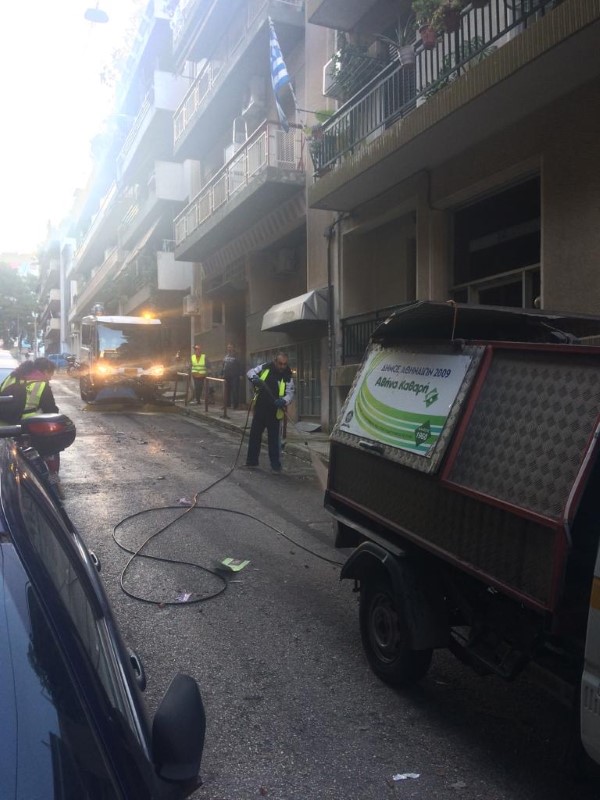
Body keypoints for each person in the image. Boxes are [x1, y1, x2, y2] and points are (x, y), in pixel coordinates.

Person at [245, 352, 295, 473]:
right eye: (280, 363)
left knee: (274, 440)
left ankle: (275, 466)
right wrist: (254, 378)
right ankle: (252, 462)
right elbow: (250, 372)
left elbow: (290, 393)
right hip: (260, 408)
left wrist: (283, 401)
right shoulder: (265, 367)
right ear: (275, 361)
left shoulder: (287, 376)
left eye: (284, 364)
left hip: (275, 411)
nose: (282, 366)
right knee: (255, 436)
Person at [221, 343, 242, 409]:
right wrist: (221, 374)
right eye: (228, 347)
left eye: (230, 347)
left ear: (233, 348)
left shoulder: (236, 356)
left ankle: (235, 405)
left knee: (234, 390)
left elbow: (240, 365)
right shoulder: (226, 356)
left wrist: (241, 374)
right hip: (226, 376)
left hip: (234, 376)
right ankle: (227, 404)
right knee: (227, 391)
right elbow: (223, 366)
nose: (229, 349)